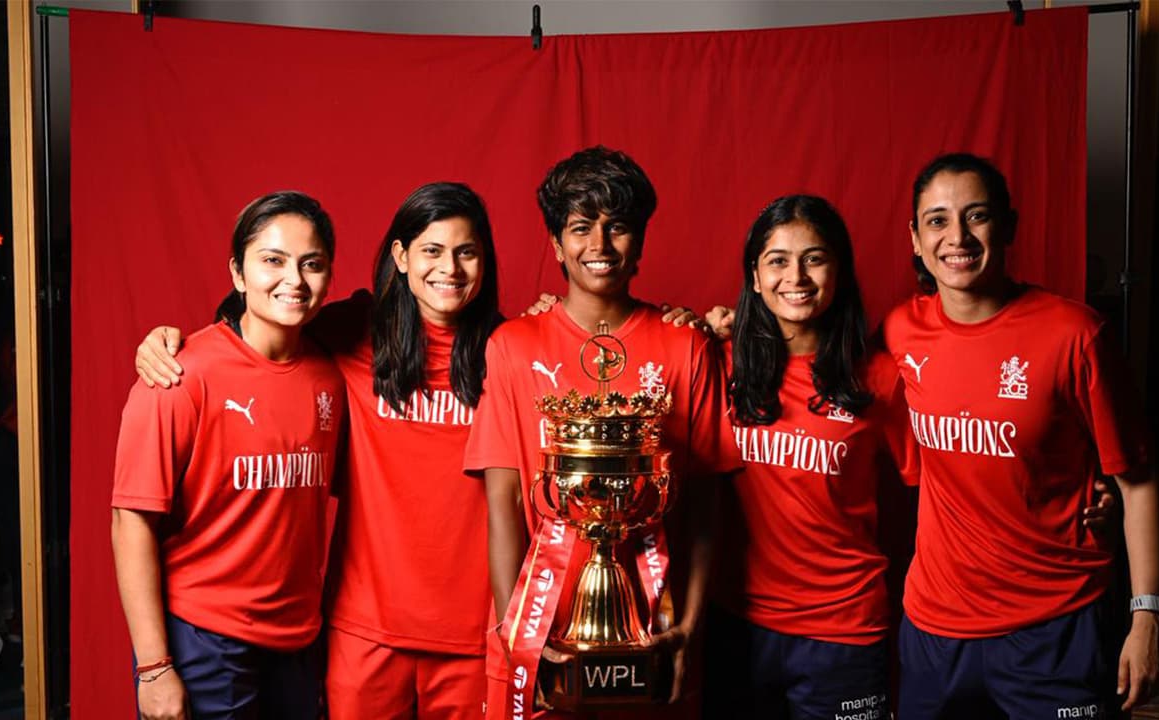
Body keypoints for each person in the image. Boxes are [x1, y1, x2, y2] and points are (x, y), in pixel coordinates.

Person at [134, 182, 503, 719]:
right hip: (361, 628)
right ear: (400, 257)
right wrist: (167, 341)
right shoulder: (353, 332)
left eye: (466, 252)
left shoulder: (512, 352)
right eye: (431, 250)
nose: (449, 268)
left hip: (472, 632)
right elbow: (259, 326)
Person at [882, 153, 1159, 718]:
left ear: (1008, 226)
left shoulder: (1075, 334)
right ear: (915, 238)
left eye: (976, 216)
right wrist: (726, 326)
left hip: (1054, 627)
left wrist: (1148, 615)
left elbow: (1137, 482)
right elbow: (812, 356)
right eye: (937, 220)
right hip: (935, 629)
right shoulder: (898, 331)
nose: (956, 236)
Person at [463, 146, 737, 719]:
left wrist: (688, 626)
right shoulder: (512, 346)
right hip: (545, 628)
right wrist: (519, 639)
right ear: (557, 244)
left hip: (653, 629)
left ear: (640, 238)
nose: (600, 246)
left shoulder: (687, 346)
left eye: (618, 228)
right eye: (581, 228)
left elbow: (708, 506)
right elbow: (506, 504)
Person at [113, 191, 345, 720]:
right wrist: (153, 667)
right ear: (238, 274)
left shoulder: (331, 375)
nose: (295, 279)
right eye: (273, 261)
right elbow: (131, 521)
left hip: (297, 640)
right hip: (204, 638)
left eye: (312, 264)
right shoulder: (177, 375)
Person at [701, 195, 914, 719]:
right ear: (754, 276)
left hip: (844, 630)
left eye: (814, 258)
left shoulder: (880, 378)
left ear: (838, 271)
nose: (795, 276)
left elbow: (948, 481)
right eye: (777, 260)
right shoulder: (715, 366)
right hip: (737, 623)